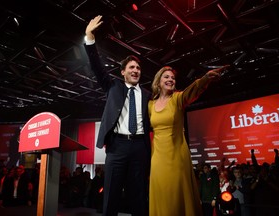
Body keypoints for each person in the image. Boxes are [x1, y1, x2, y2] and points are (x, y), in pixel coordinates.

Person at [84, 15, 151, 216]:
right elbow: (96, 66)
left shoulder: (148, 94)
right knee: (111, 194)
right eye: (131, 67)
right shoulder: (113, 86)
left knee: (138, 196)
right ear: (122, 72)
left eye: (138, 68)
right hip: (117, 146)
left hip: (140, 146)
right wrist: (89, 37)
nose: (136, 70)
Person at [148, 65, 229, 216]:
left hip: (177, 156)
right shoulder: (150, 105)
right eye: (166, 77)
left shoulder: (178, 98)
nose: (171, 80)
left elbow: (192, 91)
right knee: (161, 193)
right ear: (158, 81)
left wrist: (205, 79)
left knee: (176, 194)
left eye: (172, 78)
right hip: (157, 158)